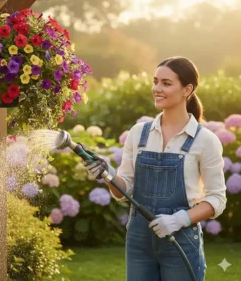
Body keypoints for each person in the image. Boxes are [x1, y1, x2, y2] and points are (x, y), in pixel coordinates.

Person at [84, 56, 227, 281]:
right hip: (139, 241)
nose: (157, 89)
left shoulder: (205, 140)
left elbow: (217, 200)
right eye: (155, 81)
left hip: (181, 242)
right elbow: (123, 191)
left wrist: (179, 220)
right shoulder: (138, 133)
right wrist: (107, 175)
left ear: (187, 89)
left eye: (166, 83)